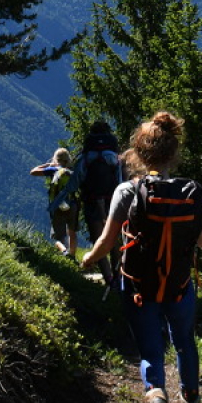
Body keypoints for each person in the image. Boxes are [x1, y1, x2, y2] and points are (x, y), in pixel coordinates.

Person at [81, 111, 202, 403]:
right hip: (179, 285)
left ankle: (155, 393)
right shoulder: (188, 192)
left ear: (137, 153)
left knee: (151, 350)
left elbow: (107, 241)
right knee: (184, 343)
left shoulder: (127, 190)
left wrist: (88, 259)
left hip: (138, 285)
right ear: (174, 153)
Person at [70, 120, 122, 283]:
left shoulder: (87, 156)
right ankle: (118, 277)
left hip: (92, 201)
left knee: (98, 239)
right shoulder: (114, 157)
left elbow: (77, 180)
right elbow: (121, 180)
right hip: (112, 201)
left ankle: (108, 279)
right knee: (114, 240)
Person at [29, 147, 79, 258]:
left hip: (57, 205)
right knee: (72, 233)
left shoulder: (53, 169)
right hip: (72, 204)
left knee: (58, 237)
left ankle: (64, 252)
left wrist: (48, 165)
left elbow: (33, 171)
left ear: (56, 159)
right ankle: (72, 257)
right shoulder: (73, 171)